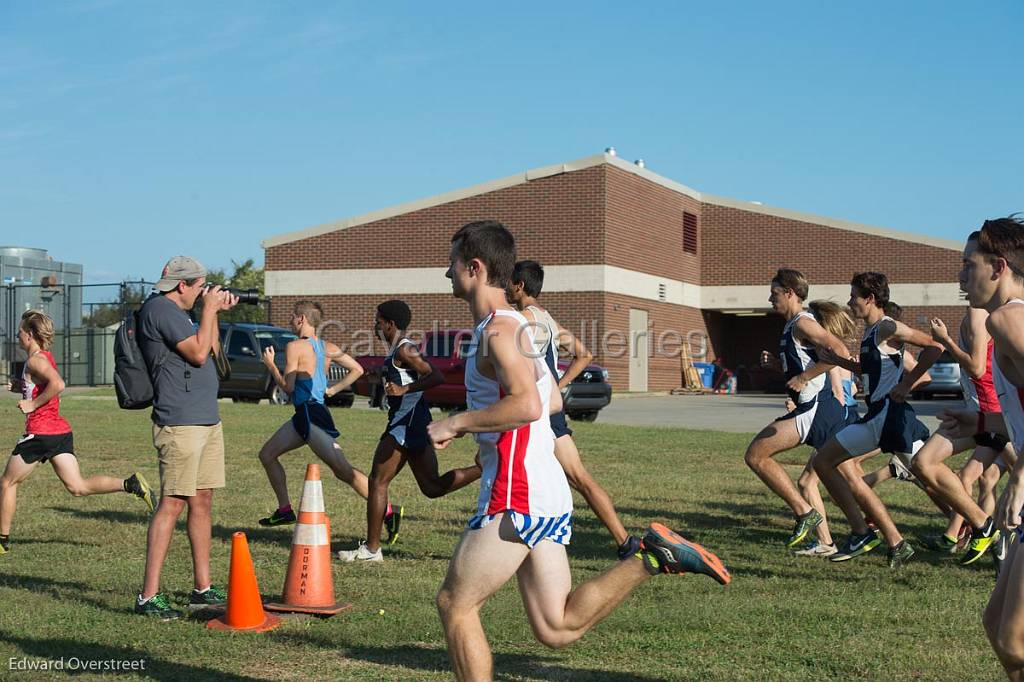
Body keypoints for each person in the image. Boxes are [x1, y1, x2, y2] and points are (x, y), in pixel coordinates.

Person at [429, 220, 730, 681]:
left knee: (455, 603)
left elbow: (528, 404)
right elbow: (548, 399)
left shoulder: (498, 331)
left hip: (518, 492)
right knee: (557, 625)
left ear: (474, 267)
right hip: (545, 488)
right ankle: (652, 555)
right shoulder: (520, 328)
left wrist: (458, 421)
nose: (446, 274)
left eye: (451, 263)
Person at [507, 260, 641, 558]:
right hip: (546, 412)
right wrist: (561, 385)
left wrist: (555, 387)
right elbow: (585, 354)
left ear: (519, 285)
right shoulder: (547, 319)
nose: (505, 287)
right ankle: (622, 541)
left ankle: (624, 542)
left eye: (508, 282)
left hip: (540, 415)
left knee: (577, 477)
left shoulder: (525, 321)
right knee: (566, 478)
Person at [939, 217, 1024, 677]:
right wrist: (983, 420)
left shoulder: (1007, 318)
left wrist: (1020, 478)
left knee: (1014, 637)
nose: (960, 276)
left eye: (967, 265)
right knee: (997, 625)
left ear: (999, 266)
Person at [0, 310, 156, 556]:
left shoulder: (35, 360)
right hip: (59, 432)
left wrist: (32, 404)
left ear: (29, 335)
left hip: (40, 434)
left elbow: (58, 385)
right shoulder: (42, 357)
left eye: (20, 331)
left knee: (7, 483)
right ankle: (131, 484)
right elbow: (44, 385)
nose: (17, 335)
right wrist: (22, 387)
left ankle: (2, 541)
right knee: (78, 487)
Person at [814, 272, 942, 568]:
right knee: (824, 462)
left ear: (870, 299)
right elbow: (873, 374)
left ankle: (978, 526)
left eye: (853, 296)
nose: (850, 302)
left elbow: (935, 347)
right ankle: (882, 538)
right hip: (875, 419)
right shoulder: (871, 332)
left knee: (934, 482)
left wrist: (907, 384)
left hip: (890, 418)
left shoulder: (886, 326)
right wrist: (840, 362)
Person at [337, 300, 481, 563]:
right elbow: (404, 379)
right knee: (432, 487)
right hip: (411, 421)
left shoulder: (405, 349)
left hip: (407, 422)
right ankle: (485, 467)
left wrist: (405, 391)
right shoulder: (395, 351)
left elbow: (435, 375)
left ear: (390, 324)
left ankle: (371, 550)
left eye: (377, 320)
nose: (374, 325)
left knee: (377, 481)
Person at [135, 256, 237, 620]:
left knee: (203, 500)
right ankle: (148, 596)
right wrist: (209, 309)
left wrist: (214, 313)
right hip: (179, 422)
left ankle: (202, 589)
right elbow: (196, 354)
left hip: (205, 420)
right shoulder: (159, 309)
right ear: (182, 285)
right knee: (173, 503)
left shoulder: (181, 314)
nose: (202, 293)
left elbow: (209, 349)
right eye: (199, 287)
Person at [256, 300, 393, 536]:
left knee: (344, 471)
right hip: (307, 414)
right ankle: (285, 509)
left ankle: (389, 512)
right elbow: (358, 369)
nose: (290, 321)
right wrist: (333, 390)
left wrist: (270, 365)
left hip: (310, 415)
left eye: (292, 317)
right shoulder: (327, 346)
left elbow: (287, 388)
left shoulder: (295, 346)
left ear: (301, 319)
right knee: (267, 455)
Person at [911, 244, 1009, 565]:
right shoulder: (976, 312)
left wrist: (947, 340)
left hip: (992, 412)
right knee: (926, 464)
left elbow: (978, 367)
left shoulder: (980, 315)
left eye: (968, 267)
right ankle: (981, 527)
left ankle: (984, 538)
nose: (960, 276)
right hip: (975, 413)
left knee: (990, 480)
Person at [745, 270, 856, 550]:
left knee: (756, 455)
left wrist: (805, 378)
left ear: (790, 293)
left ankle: (805, 513)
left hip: (814, 410)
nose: (771, 298)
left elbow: (840, 352)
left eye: (774, 293)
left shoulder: (803, 323)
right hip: (811, 408)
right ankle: (840, 539)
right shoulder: (792, 325)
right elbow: (805, 366)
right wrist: (778, 368)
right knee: (838, 480)